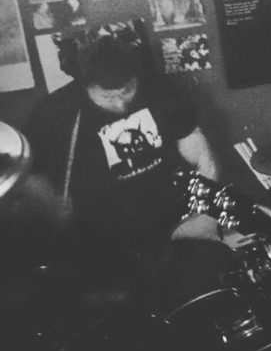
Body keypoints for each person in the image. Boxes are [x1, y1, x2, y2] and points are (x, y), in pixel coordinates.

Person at [22, 34, 226, 310]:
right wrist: (51, 207)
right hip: (105, 240)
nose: (120, 104)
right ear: (85, 85)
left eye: (127, 91)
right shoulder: (55, 113)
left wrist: (205, 214)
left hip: (171, 223)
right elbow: (28, 175)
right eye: (107, 97)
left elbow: (201, 154)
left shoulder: (161, 91)